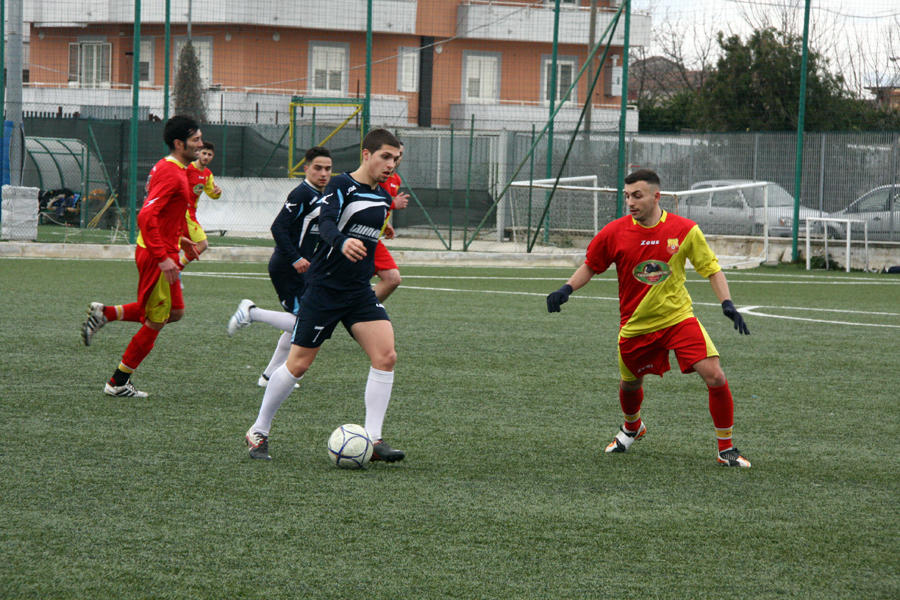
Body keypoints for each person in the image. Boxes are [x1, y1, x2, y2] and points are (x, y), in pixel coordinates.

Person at [546, 169, 752, 468]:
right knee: (630, 384)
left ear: (657, 196)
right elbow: (591, 265)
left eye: (637, 196)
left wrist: (727, 303)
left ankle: (726, 449)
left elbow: (711, 268)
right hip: (636, 326)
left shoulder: (685, 229)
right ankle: (632, 427)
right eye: (627, 196)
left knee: (715, 375)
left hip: (677, 318)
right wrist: (566, 289)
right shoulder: (614, 232)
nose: (630, 202)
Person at [236, 128, 405, 463]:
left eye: (396, 159)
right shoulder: (341, 184)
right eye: (386, 156)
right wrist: (341, 241)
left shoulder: (384, 195)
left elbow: (371, 225)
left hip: (357, 291)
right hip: (324, 288)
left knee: (386, 357)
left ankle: (373, 439)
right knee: (298, 364)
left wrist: (382, 228)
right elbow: (327, 224)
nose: (391, 164)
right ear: (366, 154)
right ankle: (258, 431)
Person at [81, 116, 202, 397]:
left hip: (163, 247)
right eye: (195, 139)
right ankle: (117, 382)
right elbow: (146, 215)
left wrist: (180, 240)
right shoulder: (172, 172)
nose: (199, 144)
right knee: (156, 320)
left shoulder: (172, 168)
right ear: (178, 143)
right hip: (155, 253)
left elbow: (163, 214)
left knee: (175, 312)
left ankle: (105, 314)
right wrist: (162, 256)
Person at [225, 147, 334, 389]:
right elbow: (278, 227)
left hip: (304, 270)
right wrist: (295, 258)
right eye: (318, 168)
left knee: (302, 322)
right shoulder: (301, 194)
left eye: (327, 168)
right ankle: (252, 313)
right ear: (306, 169)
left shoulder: (321, 196)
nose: (323, 173)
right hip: (287, 267)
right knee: (304, 323)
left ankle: (268, 376)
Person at [373, 140, 410, 302]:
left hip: (374, 237)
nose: (395, 160)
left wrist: (385, 224)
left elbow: (381, 207)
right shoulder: (374, 176)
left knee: (393, 278)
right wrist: (393, 204)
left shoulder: (396, 180)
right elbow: (368, 202)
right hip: (359, 238)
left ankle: (363, 309)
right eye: (388, 156)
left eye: (399, 155)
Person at [182, 141, 222, 265]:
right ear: (198, 153)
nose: (206, 157)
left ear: (213, 157)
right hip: (183, 211)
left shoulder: (207, 174)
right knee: (202, 244)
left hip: (192, 211)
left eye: (209, 155)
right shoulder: (188, 168)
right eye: (204, 153)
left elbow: (212, 194)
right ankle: (177, 268)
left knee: (185, 246)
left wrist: (217, 192)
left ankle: (173, 269)